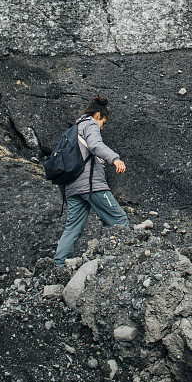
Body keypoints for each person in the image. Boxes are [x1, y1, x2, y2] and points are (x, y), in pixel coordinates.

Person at [53, 94, 129, 267]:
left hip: (72, 188)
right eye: (103, 122)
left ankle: (59, 265)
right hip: (91, 185)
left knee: (73, 227)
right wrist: (115, 158)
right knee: (120, 220)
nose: (101, 127)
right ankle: (124, 260)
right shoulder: (90, 125)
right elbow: (95, 145)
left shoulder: (73, 130)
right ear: (97, 116)